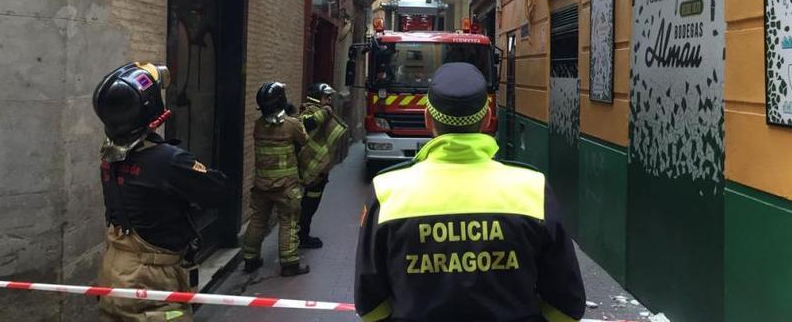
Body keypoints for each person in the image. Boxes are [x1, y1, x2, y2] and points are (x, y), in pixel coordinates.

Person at [354, 62, 586, 322]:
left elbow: (370, 303)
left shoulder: (387, 191)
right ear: (487, 118)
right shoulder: (532, 189)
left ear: (427, 119)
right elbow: (568, 304)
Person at [93, 62, 228, 322]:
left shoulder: (109, 156)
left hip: (114, 269)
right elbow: (217, 191)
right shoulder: (168, 161)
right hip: (150, 279)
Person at [242, 82, 311, 276]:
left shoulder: (258, 125)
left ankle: (250, 259)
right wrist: (292, 115)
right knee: (288, 222)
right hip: (286, 187)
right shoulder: (291, 125)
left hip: (262, 185)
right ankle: (289, 264)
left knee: (257, 221)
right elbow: (304, 140)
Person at [297, 82, 347, 249]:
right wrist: (325, 112)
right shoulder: (308, 111)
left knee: (311, 205)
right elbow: (308, 124)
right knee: (308, 206)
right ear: (317, 97)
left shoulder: (322, 112)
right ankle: (302, 237)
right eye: (326, 97)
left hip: (319, 171)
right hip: (312, 170)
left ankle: (303, 234)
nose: (329, 100)